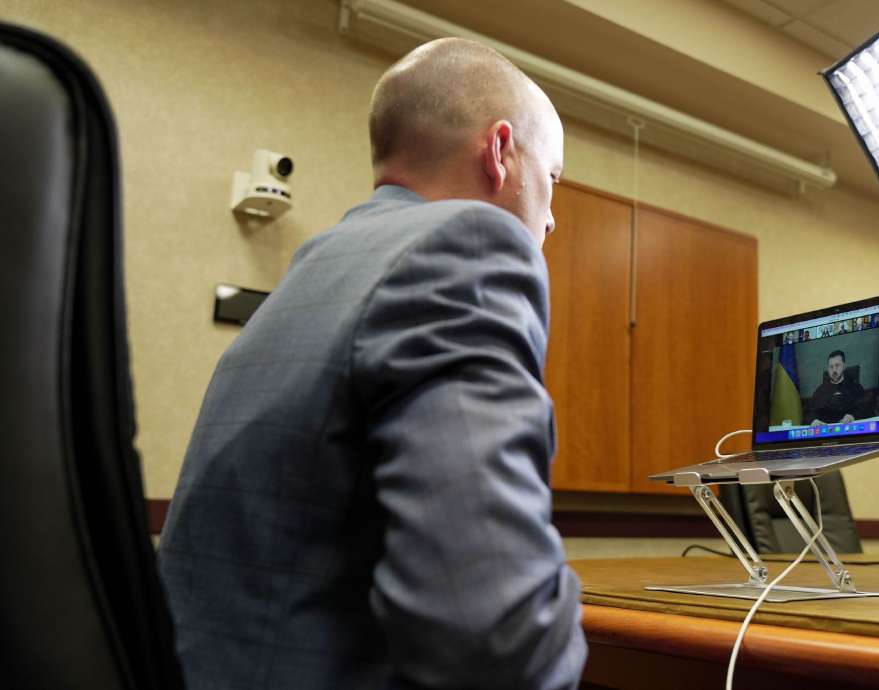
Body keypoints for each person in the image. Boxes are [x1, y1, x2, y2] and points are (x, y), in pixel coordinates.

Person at [157, 38, 585, 689]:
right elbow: (494, 637)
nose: (550, 219)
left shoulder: (313, 272)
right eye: (551, 180)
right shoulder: (470, 243)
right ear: (500, 154)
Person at [805, 350, 866, 424]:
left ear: (844, 366)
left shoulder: (855, 387)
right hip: (826, 432)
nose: (834, 370)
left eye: (837, 365)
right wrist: (813, 420)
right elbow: (811, 412)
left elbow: (864, 408)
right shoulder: (820, 391)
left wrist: (852, 416)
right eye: (831, 367)